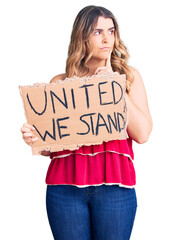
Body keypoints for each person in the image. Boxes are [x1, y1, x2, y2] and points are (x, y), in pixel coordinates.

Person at [20, 5, 153, 240]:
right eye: (97, 32)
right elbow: (52, 146)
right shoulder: (61, 82)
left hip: (115, 188)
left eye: (111, 31)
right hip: (64, 189)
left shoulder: (129, 77)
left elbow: (142, 134)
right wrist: (36, 137)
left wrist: (114, 85)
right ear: (82, 36)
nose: (106, 39)